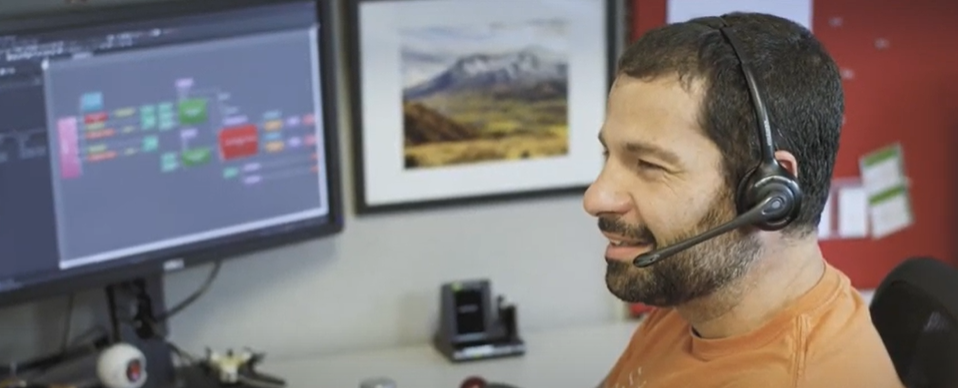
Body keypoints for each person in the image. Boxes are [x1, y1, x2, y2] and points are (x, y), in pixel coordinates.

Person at [583, 12, 903, 388]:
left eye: (649, 165)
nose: (596, 198)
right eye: (610, 155)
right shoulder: (700, 299)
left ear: (770, 194)